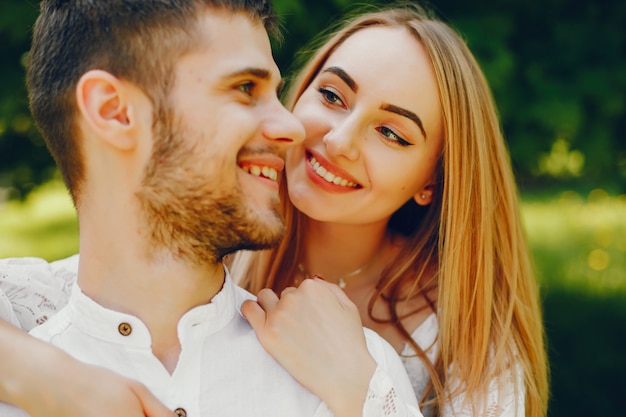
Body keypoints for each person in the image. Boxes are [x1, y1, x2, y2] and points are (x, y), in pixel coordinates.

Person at [0, 3, 549, 417]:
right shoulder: (198, 252)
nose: (337, 141)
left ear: (431, 181)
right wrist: (50, 378)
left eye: (391, 132)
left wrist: (360, 385)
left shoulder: (459, 343)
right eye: (331, 96)